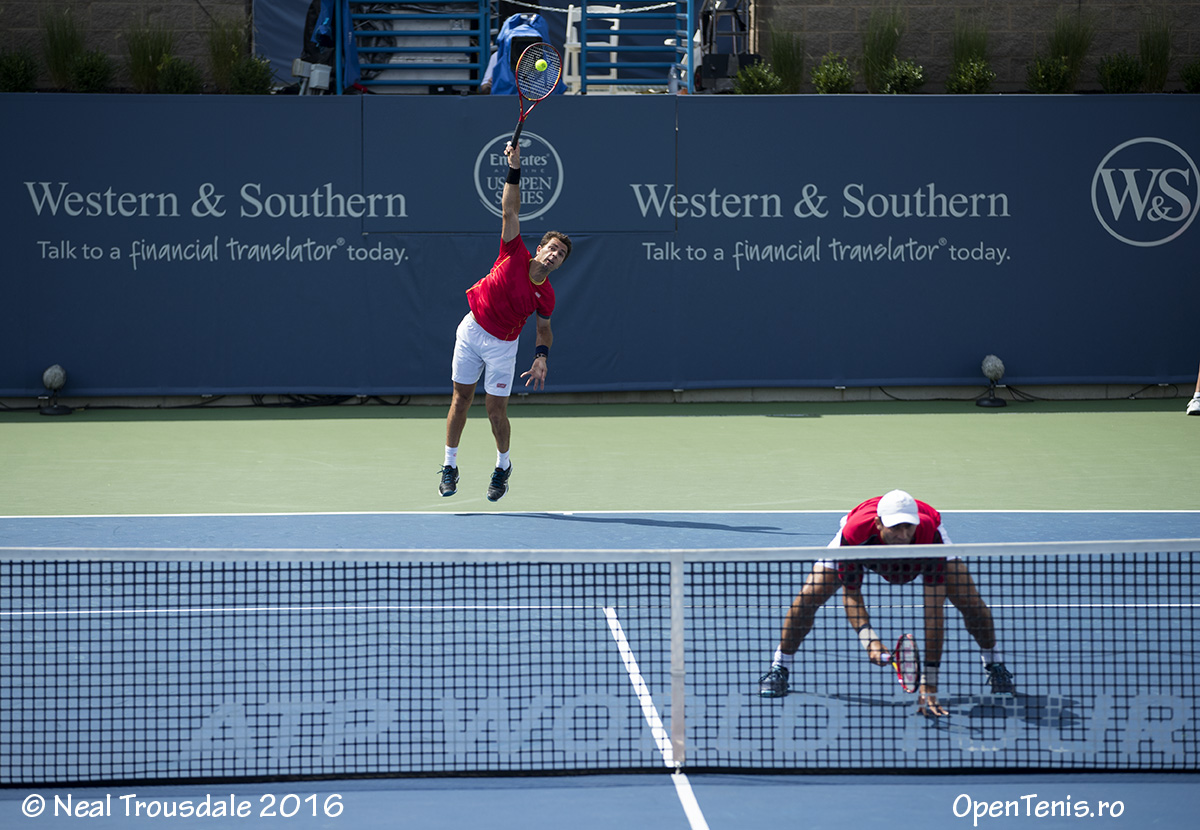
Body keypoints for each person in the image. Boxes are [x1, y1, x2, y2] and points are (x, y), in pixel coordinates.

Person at [757, 490, 1016, 715]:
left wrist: (930, 681)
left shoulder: (928, 535)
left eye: (908, 527)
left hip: (926, 548)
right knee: (807, 599)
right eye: (895, 528)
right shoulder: (856, 533)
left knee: (970, 602)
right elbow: (851, 593)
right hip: (859, 541)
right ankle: (780, 666)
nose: (903, 535)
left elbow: (933, 613)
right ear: (879, 523)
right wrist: (869, 640)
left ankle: (994, 663)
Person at [438, 139, 571, 502]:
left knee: (496, 412)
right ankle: (449, 465)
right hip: (471, 331)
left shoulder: (547, 295)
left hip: (502, 347)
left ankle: (502, 467)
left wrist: (541, 357)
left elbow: (544, 329)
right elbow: (509, 210)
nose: (555, 255)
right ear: (540, 248)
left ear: (560, 264)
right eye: (552, 248)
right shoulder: (513, 251)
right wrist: (514, 167)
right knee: (461, 399)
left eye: (561, 254)